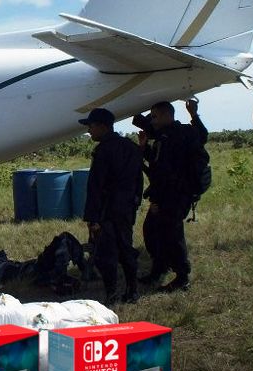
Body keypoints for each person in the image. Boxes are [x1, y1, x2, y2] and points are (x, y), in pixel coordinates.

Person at [135, 99, 208, 292]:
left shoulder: (182, 133)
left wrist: (194, 114)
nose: (152, 121)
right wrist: (144, 147)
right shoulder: (163, 136)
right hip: (163, 193)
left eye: (154, 116)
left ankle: (182, 277)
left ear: (167, 115)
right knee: (153, 231)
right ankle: (159, 268)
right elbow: (156, 163)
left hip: (176, 194)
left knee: (172, 235)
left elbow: (202, 136)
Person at [80, 107, 143, 304]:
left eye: (91, 126)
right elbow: (138, 181)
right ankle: (132, 290)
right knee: (126, 249)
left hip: (107, 211)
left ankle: (112, 295)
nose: (89, 130)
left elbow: (96, 187)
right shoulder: (131, 147)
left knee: (105, 254)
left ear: (102, 126)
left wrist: (92, 218)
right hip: (126, 209)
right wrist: (134, 204)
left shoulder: (103, 151)